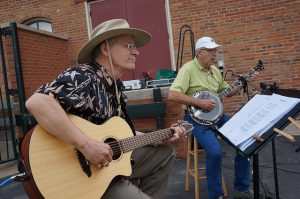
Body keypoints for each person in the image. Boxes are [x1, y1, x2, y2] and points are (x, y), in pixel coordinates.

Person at [25, 19, 186, 199]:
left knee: (164, 153)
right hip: (84, 176)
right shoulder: (85, 76)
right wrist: (85, 145)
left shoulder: (115, 87)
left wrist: (156, 137)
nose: (136, 51)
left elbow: (118, 136)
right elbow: (37, 102)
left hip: (107, 168)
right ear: (105, 49)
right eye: (129, 45)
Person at [168, 36, 259, 199]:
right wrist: (199, 102)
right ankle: (216, 195)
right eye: (211, 50)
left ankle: (242, 188)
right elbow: (173, 94)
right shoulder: (187, 69)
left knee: (245, 142)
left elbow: (228, 93)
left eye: (215, 50)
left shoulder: (215, 70)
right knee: (215, 152)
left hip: (218, 116)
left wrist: (241, 83)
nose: (215, 54)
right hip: (194, 119)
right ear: (199, 53)